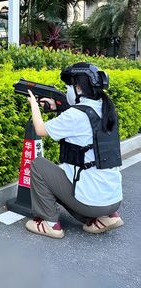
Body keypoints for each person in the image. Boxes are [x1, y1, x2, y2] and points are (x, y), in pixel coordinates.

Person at [25, 62, 123, 239]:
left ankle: (50, 224)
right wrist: (58, 107)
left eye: (68, 87)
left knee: (38, 165)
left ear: (78, 88)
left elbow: (40, 130)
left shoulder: (76, 115)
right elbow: (82, 124)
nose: (67, 90)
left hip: (92, 203)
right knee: (71, 170)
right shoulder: (107, 108)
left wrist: (34, 104)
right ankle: (106, 217)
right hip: (113, 200)